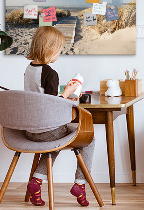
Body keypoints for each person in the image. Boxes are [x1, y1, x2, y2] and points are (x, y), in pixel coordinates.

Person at [24, 26, 95, 207]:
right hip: (47, 130)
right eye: (59, 50)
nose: (59, 53)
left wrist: (65, 94)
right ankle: (80, 184)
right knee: (89, 138)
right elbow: (52, 104)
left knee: (54, 142)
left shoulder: (29, 69)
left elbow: (41, 98)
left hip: (30, 130)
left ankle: (37, 182)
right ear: (49, 49)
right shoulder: (50, 73)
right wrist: (69, 93)